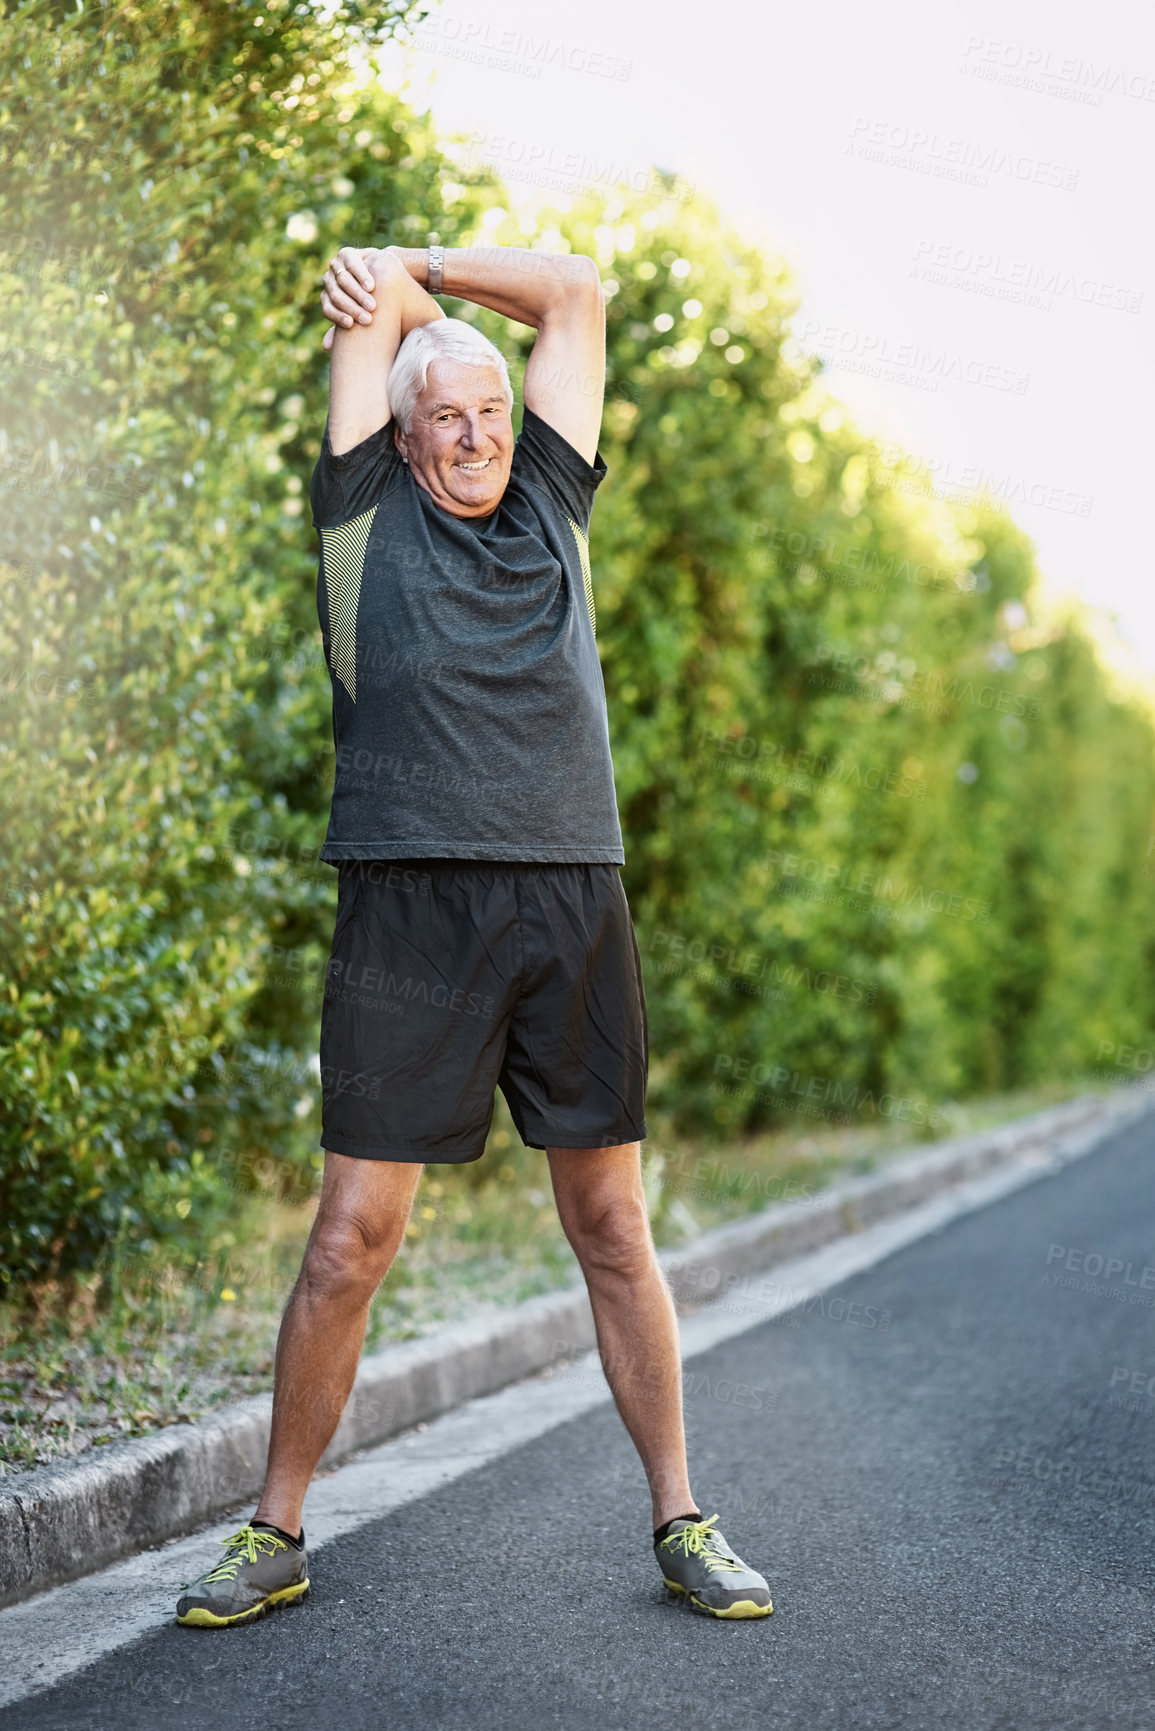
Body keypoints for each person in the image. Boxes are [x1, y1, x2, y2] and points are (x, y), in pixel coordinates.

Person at [175, 240, 771, 1628]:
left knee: (611, 1222)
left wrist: (431, 280)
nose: (477, 434)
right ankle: (274, 1531)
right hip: (407, 900)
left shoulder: (552, 501)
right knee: (352, 1236)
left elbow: (573, 293)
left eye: (494, 412)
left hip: (571, 893)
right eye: (446, 413)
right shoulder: (360, 519)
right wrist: (406, 313)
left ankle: (681, 1517)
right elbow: (377, 321)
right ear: (395, 433)